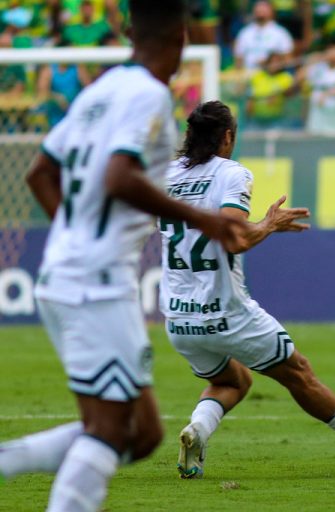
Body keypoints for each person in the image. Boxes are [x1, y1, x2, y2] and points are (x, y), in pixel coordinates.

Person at [0, 2, 246, 510]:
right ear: (181, 39)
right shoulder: (149, 94)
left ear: (130, 32)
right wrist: (201, 217)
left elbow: (38, 174)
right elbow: (118, 176)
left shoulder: (100, 90)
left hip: (76, 273)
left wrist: (78, 231)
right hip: (95, 282)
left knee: (142, 432)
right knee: (113, 429)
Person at [163, 101, 335, 478]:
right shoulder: (232, 173)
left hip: (179, 318)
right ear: (227, 137)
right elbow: (233, 237)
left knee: (232, 380)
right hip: (226, 311)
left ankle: (197, 430)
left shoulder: (169, 174)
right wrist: (268, 224)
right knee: (298, 373)